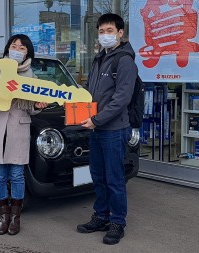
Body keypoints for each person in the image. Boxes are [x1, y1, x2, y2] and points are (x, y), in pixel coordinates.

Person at [0, 34, 48, 235]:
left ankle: (16, 218)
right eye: (14, 46)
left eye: (22, 47)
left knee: (16, 175)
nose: (17, 49)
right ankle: (3, 216)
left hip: (17, 127)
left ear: (28, 53)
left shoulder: (32, 77)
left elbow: (32, 109)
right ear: (7, 49)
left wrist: (38, 106)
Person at [77, 13, 138, 245]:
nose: (105, 35)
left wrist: (97, 120)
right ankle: (101, 216)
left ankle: (117, 222)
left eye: (109, 31)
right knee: (98, 176)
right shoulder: (98, 59)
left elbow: (121, 99)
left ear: (120, 33)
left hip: (113, 129)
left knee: (114, 178)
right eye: (101, 31)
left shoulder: (124, 61)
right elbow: (90, 94)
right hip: (96, 127)